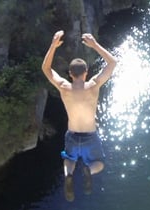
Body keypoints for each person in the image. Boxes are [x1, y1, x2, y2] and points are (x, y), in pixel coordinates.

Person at [42, 30, 117, 201]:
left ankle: (69, 174)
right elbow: (112, 63)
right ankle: (89, 170)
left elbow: (46, 69)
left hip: (72, 134)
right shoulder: (93, 85)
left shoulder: (63, 86)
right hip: (91, 135)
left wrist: (53, 45)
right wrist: (94, 45)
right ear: (86, 72)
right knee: (99, 163)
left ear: (69, 74)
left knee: (69, 159)